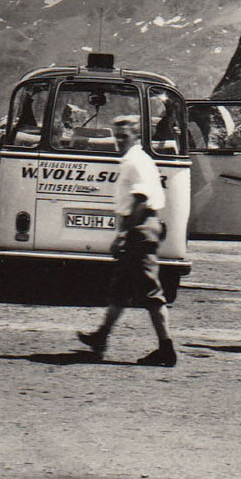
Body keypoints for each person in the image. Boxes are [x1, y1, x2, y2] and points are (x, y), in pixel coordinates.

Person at [76, 114, 177, 366]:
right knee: (120, 290)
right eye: (117, 136)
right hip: (138, 228)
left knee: (151, 293)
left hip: (140, 230)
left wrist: (123, 235)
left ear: (137, 136)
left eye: (125, 136)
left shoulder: (136, 161)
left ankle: (167, 349)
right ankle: (101, 337)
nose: (119, 141)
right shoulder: (133, 160)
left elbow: (141, 199)